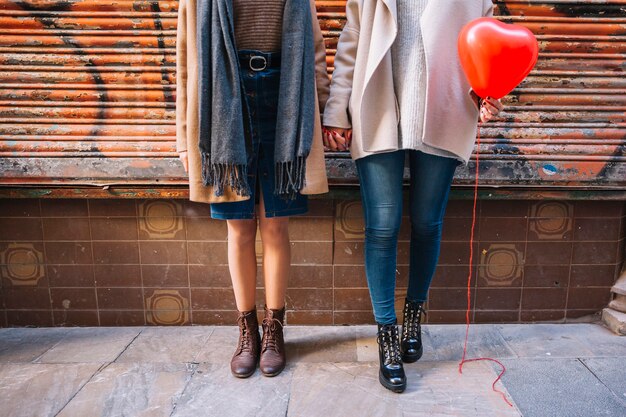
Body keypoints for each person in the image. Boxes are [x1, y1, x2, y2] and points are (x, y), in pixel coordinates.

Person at [323, 0, 503, 393]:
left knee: (426, 223)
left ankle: (413, 318)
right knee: (382, 227)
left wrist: (489, 93)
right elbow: (351, 39)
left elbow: (487, 43)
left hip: (444, 106)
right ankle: (387, 334)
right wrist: (336, 109)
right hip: (376, 106)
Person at [175, 0, 330, 378]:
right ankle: (248, 330)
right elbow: (184, 61)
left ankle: (273, 329)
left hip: (285, 98)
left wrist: (324, 111)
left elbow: (314, 53)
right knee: (239, 226)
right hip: (222, 101)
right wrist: (183, 135)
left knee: (276, 223)